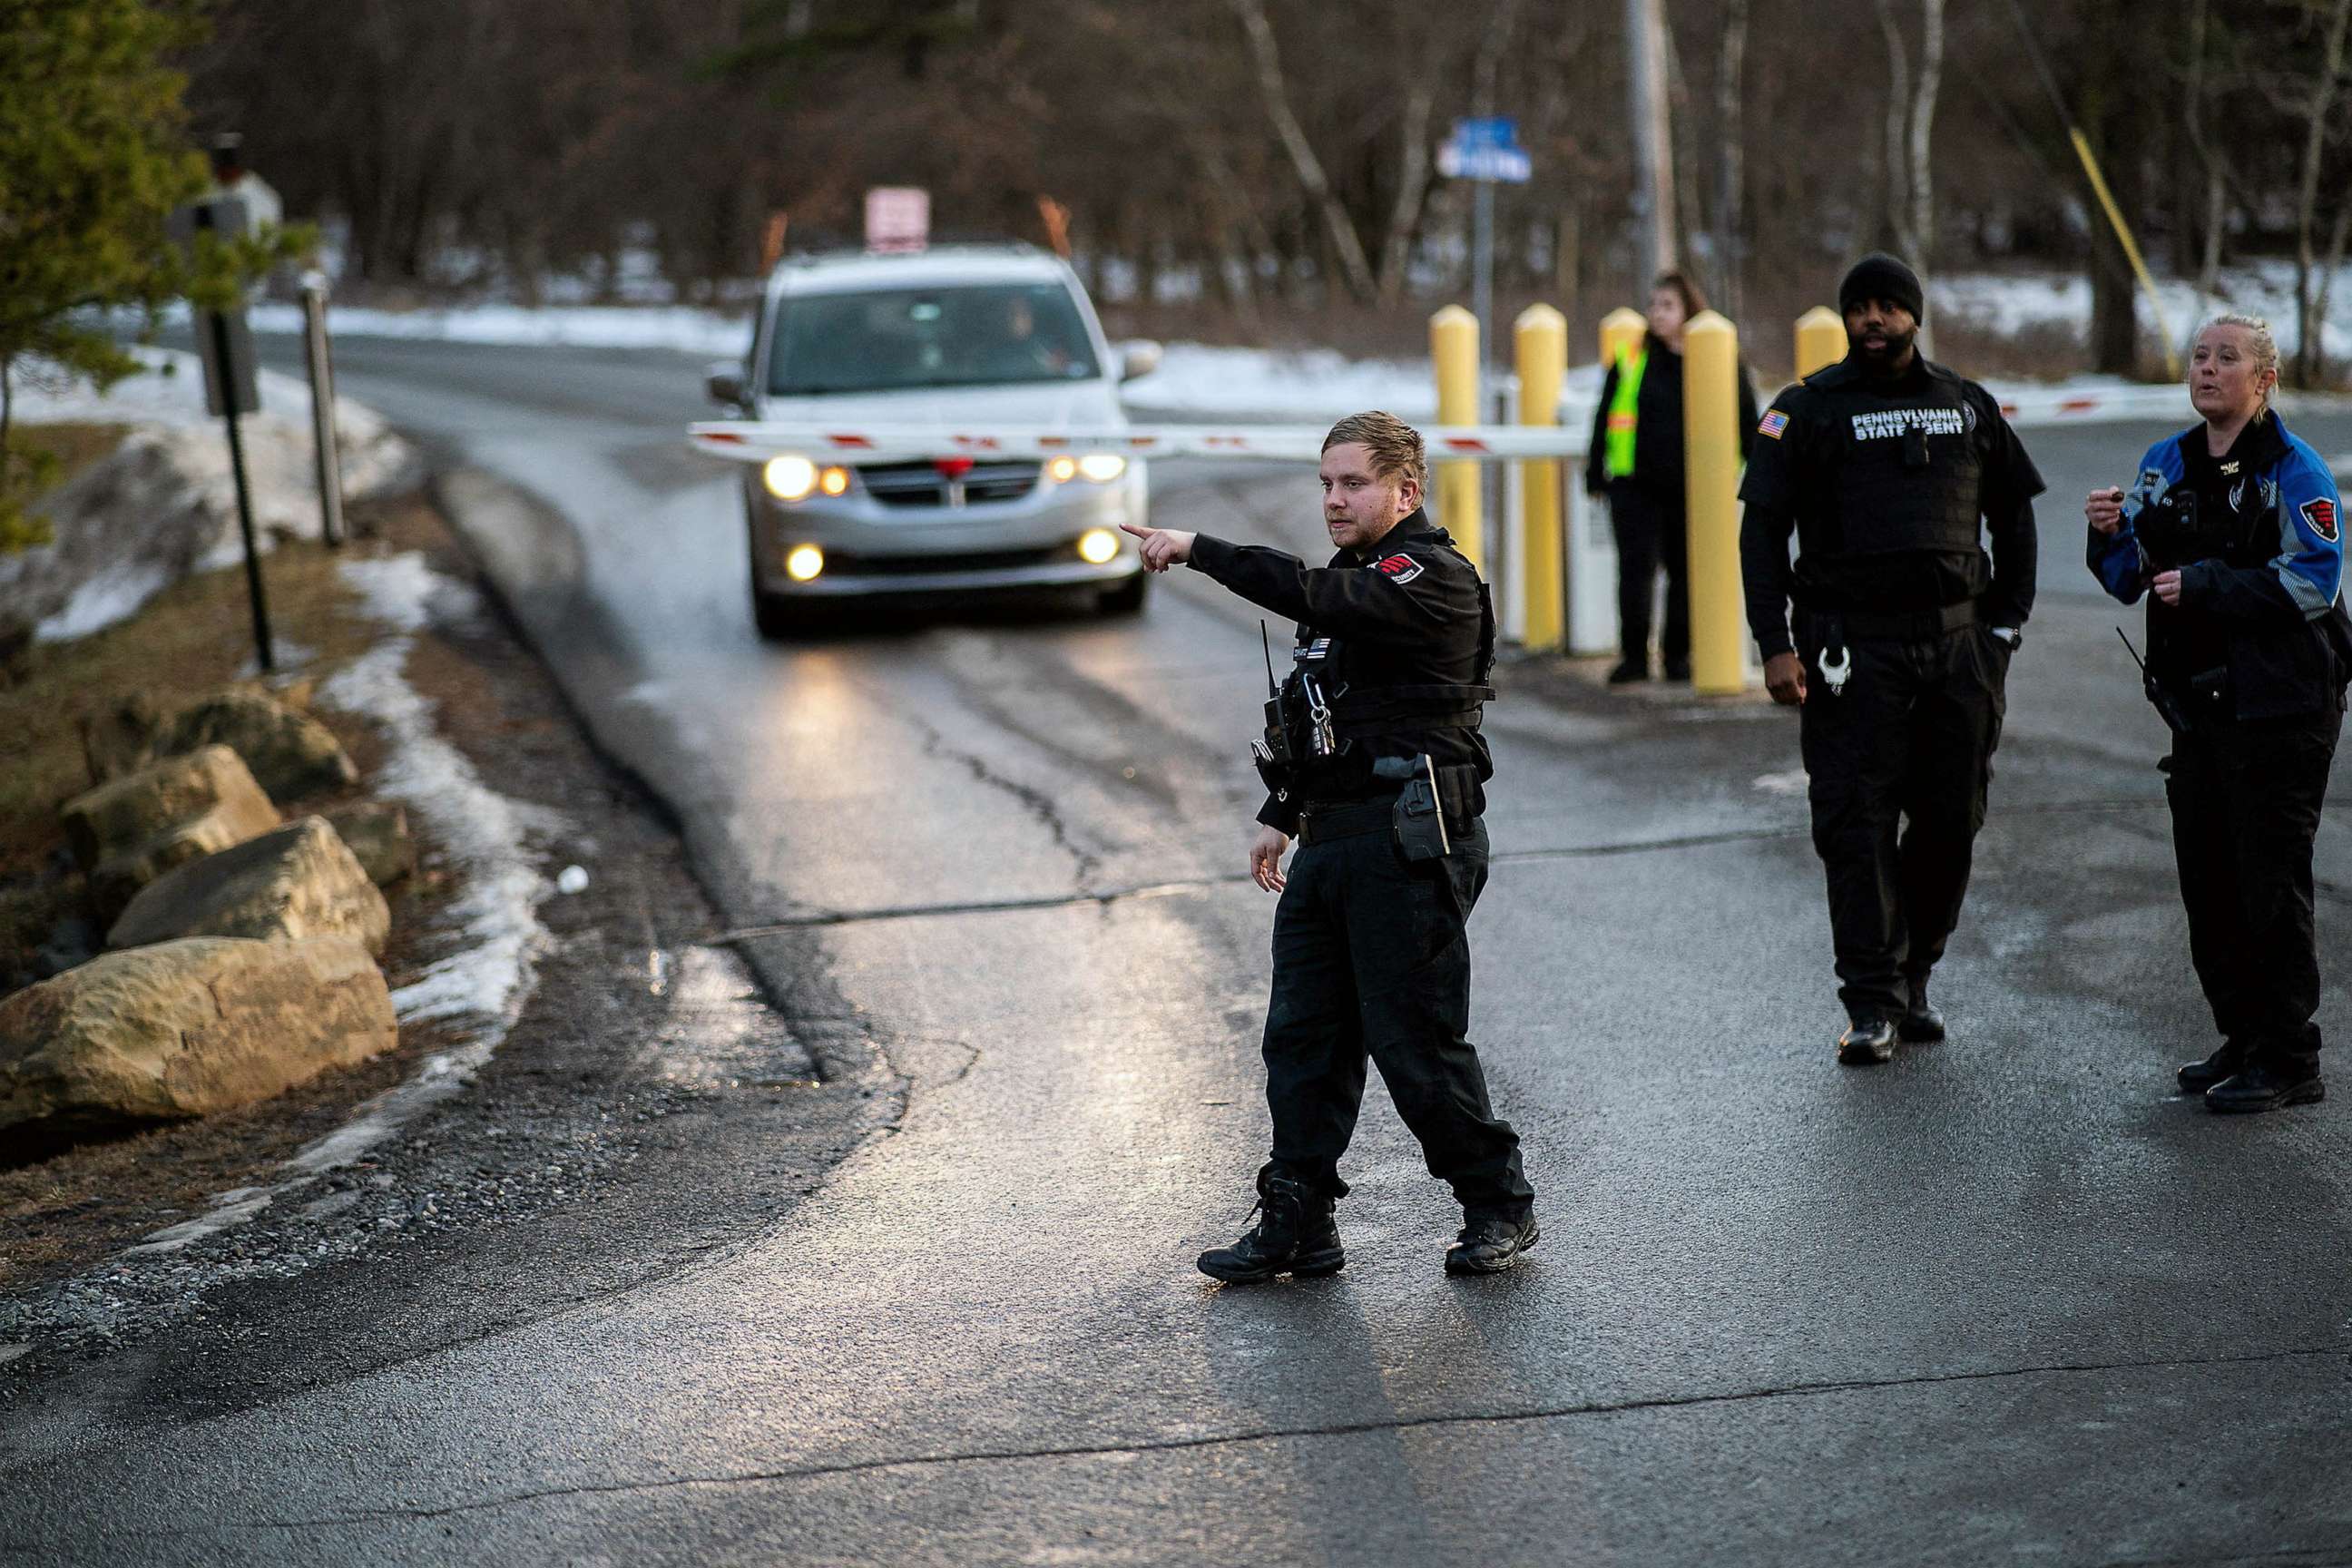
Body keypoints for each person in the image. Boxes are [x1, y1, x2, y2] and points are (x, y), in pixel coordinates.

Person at [1120, 411, 1538, 1279]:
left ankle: (1498, 1203)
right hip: (1335, 837)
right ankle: (1299, 1219)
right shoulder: (1351, 584)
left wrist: (1197, 546)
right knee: (1303, 1038)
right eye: (1325, 484)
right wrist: (1282, 807)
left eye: (1352, 484)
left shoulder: (1429, 576)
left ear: (1405, 490)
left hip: (1411, 834)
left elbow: (1313, 593)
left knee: (1414, 1042)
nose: (1334, 499)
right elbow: (1316, 716)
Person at [1738, 252, 2043, 1065]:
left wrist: (2005, 626)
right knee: (1855, 822)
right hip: (1849, 649)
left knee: (1952, 819)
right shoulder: (1805, 411)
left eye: (1888, 306)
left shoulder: (1966, 405)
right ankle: (1871, 1000)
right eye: (1860, 307)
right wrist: (1774, 644)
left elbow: (2014, 514)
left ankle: (1916, 974)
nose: (1873, 319)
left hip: (1958, 647)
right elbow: (1760, 533)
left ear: (1915, 315)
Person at [2086, 314, 2350, 1112]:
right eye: (2199, 356)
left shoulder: (2293, 469)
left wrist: (2207, 584)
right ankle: (2243, 1037)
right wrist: (2104, 534)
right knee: (2209, 881)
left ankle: (2290, 1057)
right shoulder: (2164, 463)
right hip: (2200, 710)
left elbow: (2316, 583)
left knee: (2269, 880)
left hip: (2284, 706)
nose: (2206, 369)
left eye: (2226, 358)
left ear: (2263, 380)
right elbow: (2128, 576)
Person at [1586, 270, 1759, 683]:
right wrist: (1596, 471)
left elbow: (1746, 421)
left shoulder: (1718, 358)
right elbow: (1604, 417)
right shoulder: (1632, 358)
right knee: (1635, 573)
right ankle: (1634, 657)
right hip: (1635, 486)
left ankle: (1678, 657)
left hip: (1693, 489)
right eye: (1653, 305)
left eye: (1667, 305)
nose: (1656, 314)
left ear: (1689, 311)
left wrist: (1756, 477)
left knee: (1685, 574)